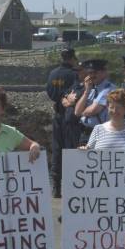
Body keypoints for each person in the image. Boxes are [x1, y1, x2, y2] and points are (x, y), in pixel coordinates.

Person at [46, 48, 78, 197]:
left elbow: (49, 92)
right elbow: (76, 94)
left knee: (57, 149)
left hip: (57, 114)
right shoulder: (73, 74)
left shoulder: (53, 74)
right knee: (71, 149)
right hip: (71, 116)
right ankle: (72, 185)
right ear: (72, 58)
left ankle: (56, 186)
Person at [74, 59, 116, 145]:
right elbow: (76, 112)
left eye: (94, 72)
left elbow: (93, 110)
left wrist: (82, 111)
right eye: (89, 73)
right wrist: (86, 91)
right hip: (85, 133)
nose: (92, 76)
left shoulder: (109, 89)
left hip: (101, 134)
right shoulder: (91, 90)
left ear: (103, 72)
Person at [60, 62, 88, 149]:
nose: (77, 72)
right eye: (76, 71)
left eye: (79, 70)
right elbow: (64, 95)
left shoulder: (88, 86)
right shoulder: (76, 83)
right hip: (69, 125)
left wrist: (72, 100)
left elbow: (77, 98)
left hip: (79, 126)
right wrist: (66, 98)